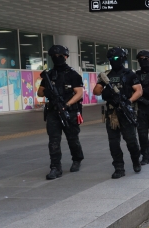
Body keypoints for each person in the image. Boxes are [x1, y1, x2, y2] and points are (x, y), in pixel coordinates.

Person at [93, 47, 143, 179]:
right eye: (110, 59)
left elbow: (139, 91)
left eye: (115, 58)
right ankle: (119, 167)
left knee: (131, 141)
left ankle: (136, 161)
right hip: (112, 113)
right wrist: (104, 88)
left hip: (126, 111)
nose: (113, 61)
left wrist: (128, 101)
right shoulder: (106, 75)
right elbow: (96, 91)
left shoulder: (130, 74)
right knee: (113, 143)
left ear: (121, 59)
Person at [37, 45, 84, 180]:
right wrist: (48, 92)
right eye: (54, 57)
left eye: (60, 56)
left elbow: (79, 93)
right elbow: (40, 92)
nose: (57, 59)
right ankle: (55, 167)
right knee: (53, 141)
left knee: (73, 139)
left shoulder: (73, 74)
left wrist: (67, 104)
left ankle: (77, 159)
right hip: (53, 112)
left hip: (70, 111)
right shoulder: (49, 74)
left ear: (66, 57)